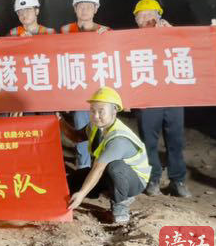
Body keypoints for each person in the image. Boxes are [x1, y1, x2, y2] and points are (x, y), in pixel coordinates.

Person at [62, 87, 151, 224]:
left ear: (114, 110)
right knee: (70, 183)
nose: (96, 116)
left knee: (114, 167)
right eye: (92, 111)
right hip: (107, 174)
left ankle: (120, 205)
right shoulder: (95, 126)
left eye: (101, 111)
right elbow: (76, 137)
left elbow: (98, 168)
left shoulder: (118, 138)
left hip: (134, 180)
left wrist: (81, 195)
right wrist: (59, 121)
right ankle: (108, 190)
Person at [132, 0, 190, 197]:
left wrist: (171, 32)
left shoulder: (172, 35)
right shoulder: (131, 41)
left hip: (172, 97)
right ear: (136, 21)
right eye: (142, 16)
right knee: (148, 141)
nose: (147, 19)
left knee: (176, 141)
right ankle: (153, 179)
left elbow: (191, 48)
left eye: (151, 15)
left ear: (159, 17)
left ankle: (178, 180)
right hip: (147, 99)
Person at [60, 0, 110, 169]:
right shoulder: (65, 31)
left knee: (103, 134)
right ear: (75, 8)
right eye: (81, 6)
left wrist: (107, 39)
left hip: (100, 92)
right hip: (79, 91)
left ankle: (102, 171)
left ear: (95, 9)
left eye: (89, 6)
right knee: (82, 135)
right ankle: (83, 170)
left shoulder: (105, 32)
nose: (85, 10)